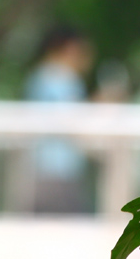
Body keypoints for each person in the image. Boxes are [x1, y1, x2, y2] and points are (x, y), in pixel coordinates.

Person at [24, 25, 96, 213]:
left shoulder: (39, 77)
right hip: (57, 171)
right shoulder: (60, 78)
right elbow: (72, 122)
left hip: (43, 169)